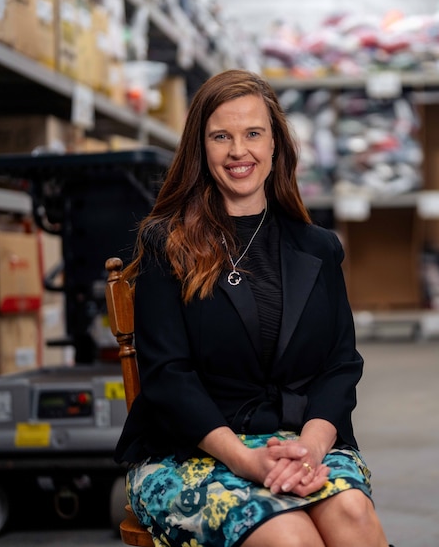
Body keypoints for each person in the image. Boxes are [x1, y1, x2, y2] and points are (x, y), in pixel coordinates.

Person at [115, 69, 391, 547]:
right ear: (201, 149)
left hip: (302, 442)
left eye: (253, 134)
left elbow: (341, 365)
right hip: (195, 451)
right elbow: (168, 376)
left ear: (275, 146)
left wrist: (312, 446)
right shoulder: (167, 244)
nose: (238, 151)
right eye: (221, 136)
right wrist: (245, 459)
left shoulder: (319, 247)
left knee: (351, 513)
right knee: (291, 538)